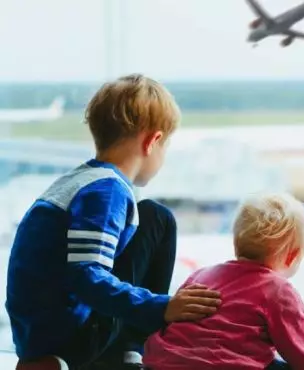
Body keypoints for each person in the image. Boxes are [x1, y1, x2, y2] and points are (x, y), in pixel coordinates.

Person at [6, 74, 222, 370]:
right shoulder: (107, 191)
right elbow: (85, 276)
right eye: (166, 146)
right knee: (159, 219)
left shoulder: (78, 181)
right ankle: (128, 354)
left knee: (148, 215)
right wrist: (162, 307)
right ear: (152, 141)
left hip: (36, 335)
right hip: (69, 337)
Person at [143, 193, 304, 370]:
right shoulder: (278, 290)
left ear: (236, 243)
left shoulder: (201, 275)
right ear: (292, 257)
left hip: (163, 362)